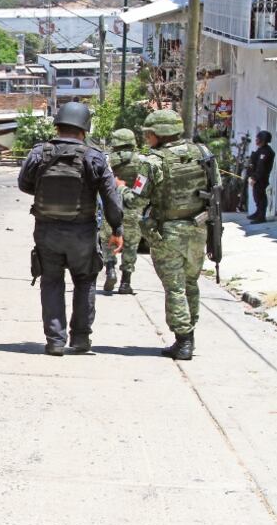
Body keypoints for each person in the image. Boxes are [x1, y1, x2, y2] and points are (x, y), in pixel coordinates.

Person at [18, 102, 124, 356]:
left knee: (51, 281)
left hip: (47, 230)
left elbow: (24, 183)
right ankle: (80, 338)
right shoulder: (95, 157)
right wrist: (117, 229)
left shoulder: (38, 153)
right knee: (85, 281)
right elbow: (111, 198)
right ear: (84, 129)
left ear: (58, 125)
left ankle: (55, 340)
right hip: (82, 232)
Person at [119, 109, 220, 360]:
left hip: (167, 233)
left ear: (158, 134)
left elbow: (136, 200)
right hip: (198, 228)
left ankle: (183, 340)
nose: (147, 138)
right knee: (190, 283)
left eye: (149, 134)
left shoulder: (152, 162)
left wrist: (120, 190)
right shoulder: (204, 154)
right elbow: (216, 188)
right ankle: (190, 335)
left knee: (174, 287)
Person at [99, 128, 143, 294]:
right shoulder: (140, 162)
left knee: (107, 241)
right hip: (133, 209)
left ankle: (110, 269)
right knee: (131, 245)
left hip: (111, 208)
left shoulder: (106, 161)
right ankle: (126, 282)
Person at [247, 130, 274, 224]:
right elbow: (255, 162)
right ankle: (258, 213)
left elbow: (261, 167)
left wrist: (254, 178)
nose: (256, 140)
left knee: (260, 197)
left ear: (263, 139)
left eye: (258, 139)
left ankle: (261, 216)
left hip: (261, 178)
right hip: (257, 177)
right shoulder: (261, 150)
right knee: (256, 196)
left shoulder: (266, 151)